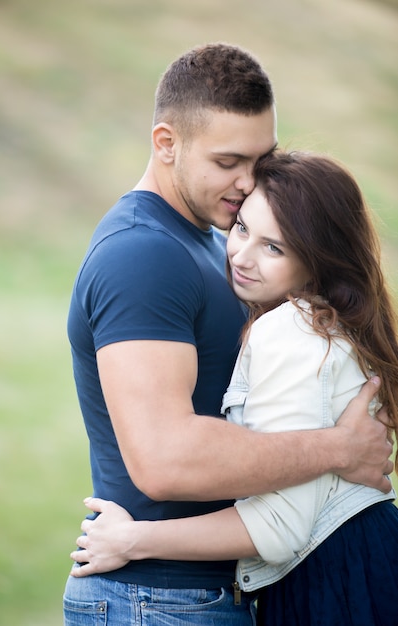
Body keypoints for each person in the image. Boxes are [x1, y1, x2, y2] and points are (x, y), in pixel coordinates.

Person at [63, 42, 393, 626]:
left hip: (222, 588)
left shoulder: (223, 245)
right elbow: (166, 461)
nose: (248, 182)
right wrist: (340, 449)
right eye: (227, 162)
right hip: (159, 599)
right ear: (166, 143)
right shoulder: (142, 254)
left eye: (261, 160)